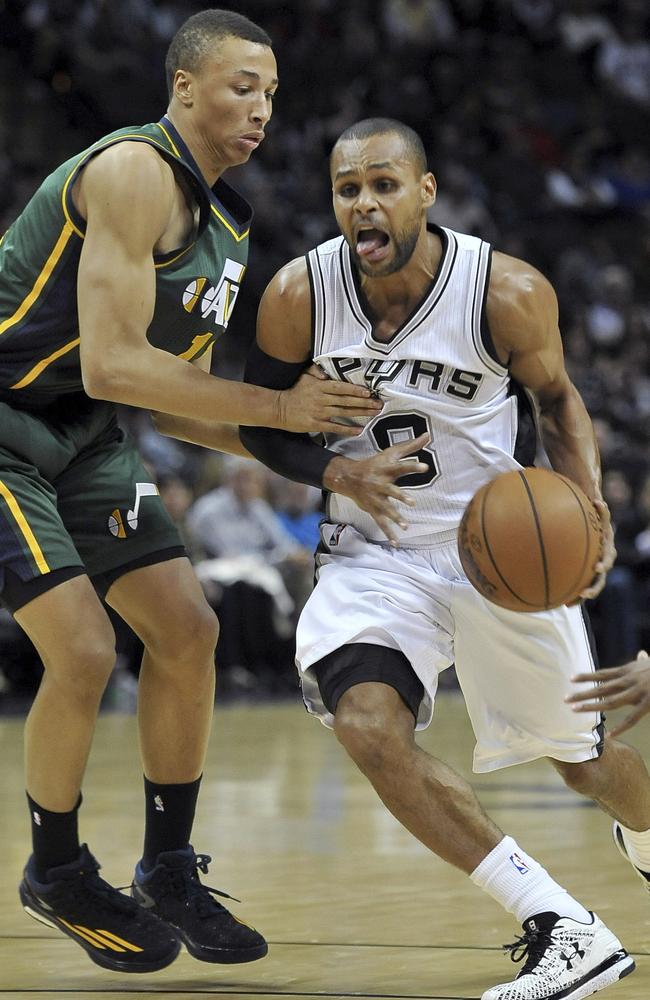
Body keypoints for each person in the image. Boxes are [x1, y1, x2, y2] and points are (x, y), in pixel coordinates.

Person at [0, 9, 382, 974]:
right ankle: (55, 867)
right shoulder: (133, 172)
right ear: (183, 87)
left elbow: (181, 407)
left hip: (80, 436)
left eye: (272, 93)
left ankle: (167, 868)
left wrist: (324, 458)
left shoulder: (227, 224)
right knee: (84, 650)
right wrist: (283, 403)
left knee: (188, 628)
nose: (260, 109)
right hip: (3, 417)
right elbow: (118, 366)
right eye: (241, 86)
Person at [240, 117, 650, 1000]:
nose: (364, 203)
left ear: (425, 193)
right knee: (367, 726)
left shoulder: (505, 291)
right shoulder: (295, 296)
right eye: (347, 189)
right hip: (371, 552)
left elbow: (559, 403)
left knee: (584, 764)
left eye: (383, 184)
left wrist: (588, 506)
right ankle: (561, 926)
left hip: (500, 545)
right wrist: (333, 468)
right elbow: (256, 422)